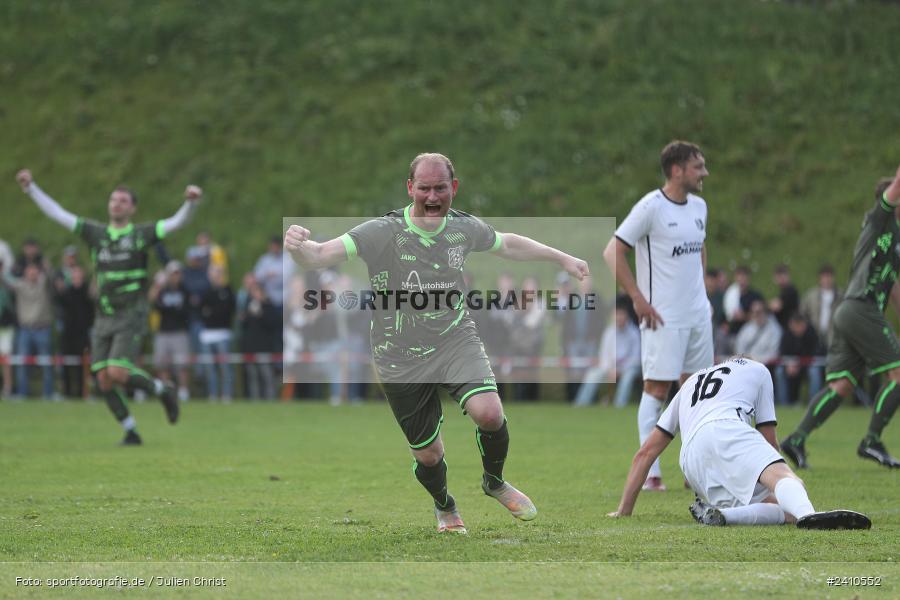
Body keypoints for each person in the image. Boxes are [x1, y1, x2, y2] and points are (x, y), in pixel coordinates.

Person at [284, 152, 589, 533]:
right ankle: (445, 504)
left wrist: (561, 258)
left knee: (489, 413)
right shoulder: (382, 231)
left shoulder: (463, 228)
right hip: (398, 356)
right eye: (424, 188)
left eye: (440, 188)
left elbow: (507, 243)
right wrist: (299, 248)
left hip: (454, 339)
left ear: (453, 188)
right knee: (429, 454)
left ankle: (494, 481)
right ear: (410, 188)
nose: (432, 197)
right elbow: (320, 255)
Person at [16, 169, 202, 444]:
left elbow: (176, 223)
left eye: (123, 201)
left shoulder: (141, 234)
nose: (117, 204)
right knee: (102, 379)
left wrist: (191, 203)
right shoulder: (96, 234)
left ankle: (163, 390)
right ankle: (131, 431)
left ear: (132, 208)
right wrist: (30, 188)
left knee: (117, 371)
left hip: (131, 313)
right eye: (113, 199)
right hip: (104, 315)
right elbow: (58, 214)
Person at [608, 357, 872, 530]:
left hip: (691, 459)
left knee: (779, 508)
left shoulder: (690, 383)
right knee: (788, 485)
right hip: (727, 427)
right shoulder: (758, 369)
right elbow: (769, 439)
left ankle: (722, 515)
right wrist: (782, 475)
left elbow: (646, 453)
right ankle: (808, 516)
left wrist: (623, 511)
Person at [602, 140, 713, 492]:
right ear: (677, 170)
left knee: (698, 392)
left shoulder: (700, 206)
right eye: (698, 167)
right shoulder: (651, 207)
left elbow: (700, 248)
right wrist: (638, 299)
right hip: (663, 318)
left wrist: (702, 294)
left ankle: (694, 470)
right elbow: (612, 251)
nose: (705, 173)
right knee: (657, 389)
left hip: (698, 316)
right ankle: (651, 474)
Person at [781, 168, 900, 469]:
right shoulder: (878, 221)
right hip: (861, 308)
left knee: (842, 385)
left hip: (851, 312)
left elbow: (893, 286)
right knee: (898, 372)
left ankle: (796, 439)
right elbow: (894, 189)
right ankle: (871, 440)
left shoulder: (895, 239)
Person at [574, 304, 641, 408]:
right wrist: (610, 369)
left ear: (627, 316)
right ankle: (581, 404)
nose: (618, 317)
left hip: (629, 368)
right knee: (592, 375)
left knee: (628, 377)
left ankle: (619, 406)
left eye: (621, 314)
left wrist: (620, 370)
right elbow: (604, 355)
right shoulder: (609, 332)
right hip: (610, 367)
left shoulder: (634, 333)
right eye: (616, 315)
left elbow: (636, 358)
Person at [149, 261, 192, 402]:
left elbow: (185, 310)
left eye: (177, 273)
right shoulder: (162, 290)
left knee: (182, 365)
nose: (175, 276)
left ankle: (183, 391)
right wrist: (157, 284)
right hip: (163, 332)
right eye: (173, 274)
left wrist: (170, 309)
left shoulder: (185, 290)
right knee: (162, 364)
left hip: (180, 332)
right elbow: (152, 300)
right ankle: (166, 390)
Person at [199, 265, 235, 401]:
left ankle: (226, 395)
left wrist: (212, 312)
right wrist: (214, 312)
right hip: (207, 335)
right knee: (210, 369)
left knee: (225, 368)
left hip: (223, 334)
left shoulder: (227, 290)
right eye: (214, 273)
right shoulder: (206, 291)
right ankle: (213, 395)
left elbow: (228, 310)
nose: (216, 276)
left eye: (219, 273)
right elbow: (201, 311)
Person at [799, 264, 843, 347]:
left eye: (829, 277)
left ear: (833, 278)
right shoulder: (811, 295)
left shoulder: (840, 295)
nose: (826, 280)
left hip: (833, 334)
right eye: (824, 277)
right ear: (820, 279)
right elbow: (802, 312)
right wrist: (807, 327)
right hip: (815, 333)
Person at [733, 300, 782, 365]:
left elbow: (773, 352)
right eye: (753, 312)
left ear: (765, 312)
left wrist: (756, 361)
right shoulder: (746, 328)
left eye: (758, 312)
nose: (756, 315)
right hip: (746, 364)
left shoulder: (774, 329)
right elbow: (739, 346)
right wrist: (745, 360)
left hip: (765, 365)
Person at [769, 264, 799, 330]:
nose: (780, 279)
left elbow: (776, 307)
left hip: (788, 327)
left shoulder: (790, 291)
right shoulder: (784, 291)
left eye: (782, 276)